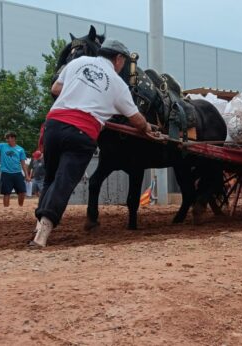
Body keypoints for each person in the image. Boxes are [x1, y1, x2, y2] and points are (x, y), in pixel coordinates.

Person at [30, 39, 155, 247]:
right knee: (64, 181)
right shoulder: (117, 84)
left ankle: (38, 226)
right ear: (119, 59)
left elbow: (55, 88)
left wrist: (79, 94)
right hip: (82, 133)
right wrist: (147, 128)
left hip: (53, 125)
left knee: (49, 179)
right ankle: (43, 232)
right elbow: (137, 120)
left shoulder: (77, 63)